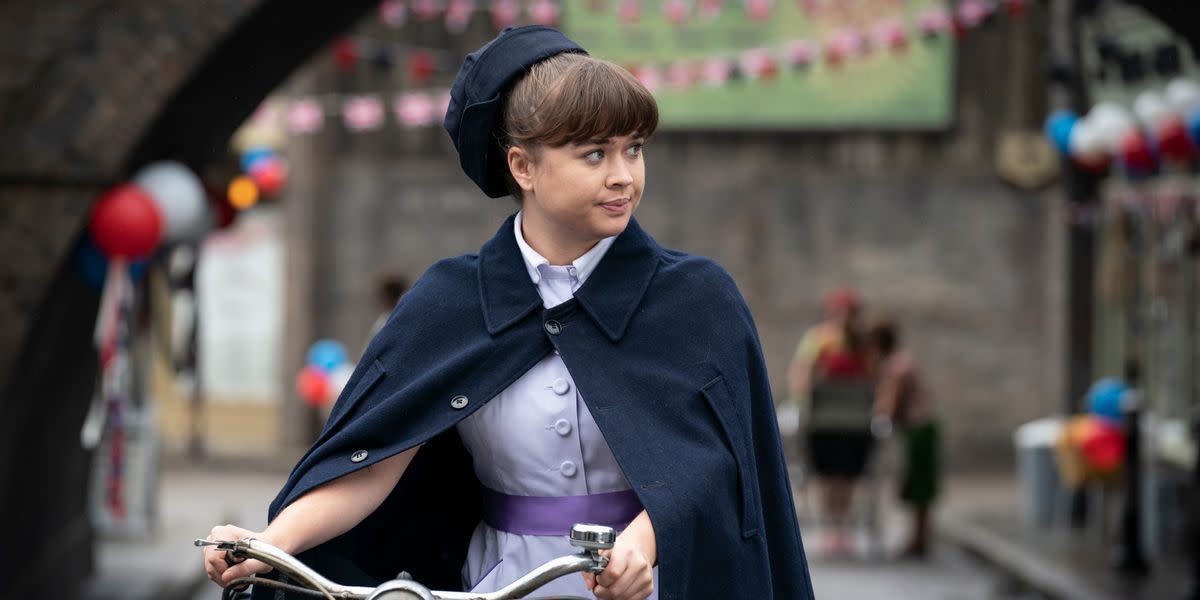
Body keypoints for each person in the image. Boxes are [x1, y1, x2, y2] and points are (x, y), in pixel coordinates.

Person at [202, 26, 814, 600]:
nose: (624, 176)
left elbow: (712, 466)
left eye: (634, 149)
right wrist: (271, 544)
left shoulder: (696, 297)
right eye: (595, 154)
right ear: (523, 166)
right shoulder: (450, 300)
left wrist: (643, 544)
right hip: (497, 582)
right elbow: (373, 461)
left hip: (647, 580)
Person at [787, 287, 873, 552]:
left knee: (848, 476)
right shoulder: (819, 339)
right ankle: (830, 528)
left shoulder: (863, 342)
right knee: (826, 476)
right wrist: (801, 404)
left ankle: (844, 527)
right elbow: (801, 372)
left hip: (855, 422)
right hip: (824, 421)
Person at [866, 318, 940, 558]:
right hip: (924, 427)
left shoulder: (895, 367)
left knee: (919, 486)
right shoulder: (903, 360)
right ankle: (920, 537)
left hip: (917, 430)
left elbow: (889, 402)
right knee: (920, 487)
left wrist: (876, 414)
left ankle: (919, 539)